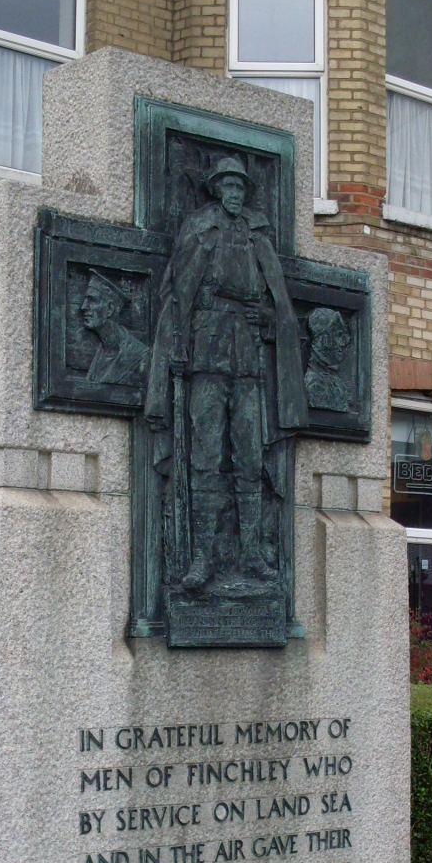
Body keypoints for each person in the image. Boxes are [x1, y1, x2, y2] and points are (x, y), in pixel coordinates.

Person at [144, 156, 307, 592]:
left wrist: (268, 319)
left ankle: (251, 553)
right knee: (205, 459)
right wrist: (178, 348)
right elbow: (178, 293)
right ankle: (202, 558)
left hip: (248, 362)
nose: (235, 194)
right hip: (207, 357)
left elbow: (279, 306)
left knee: (250, 460)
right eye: (228, 186)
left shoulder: (256, 234)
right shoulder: (200, 228)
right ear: (217, 189)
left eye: (241, 187)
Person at [79, 270, 149, 387]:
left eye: (92, 300)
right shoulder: (100, 351)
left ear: (110, 309)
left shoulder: (139, 356)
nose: (83, 307)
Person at [303, 307, 352, 413]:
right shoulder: (315, 384)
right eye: (338, 335)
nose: (343, 343)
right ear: (323, 340)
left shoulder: (335, 380)